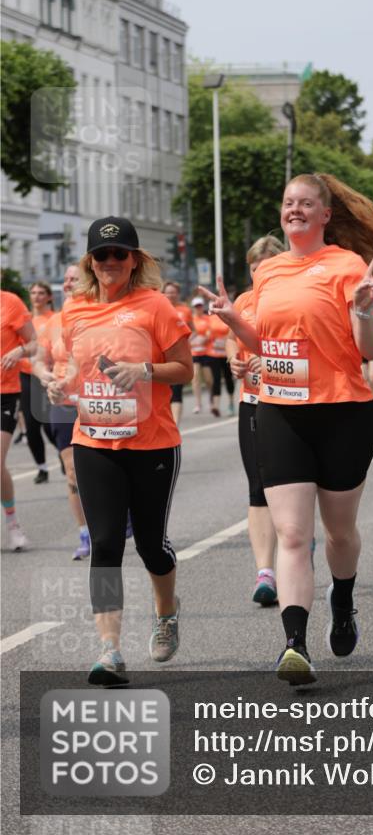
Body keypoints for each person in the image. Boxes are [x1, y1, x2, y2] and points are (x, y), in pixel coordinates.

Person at [200, 173, 373, 685]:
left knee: (340, 532)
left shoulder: (347, 267)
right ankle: (295, 645)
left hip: (343, 413)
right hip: (280, 411)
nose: (296, 210)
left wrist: (364, 310)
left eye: (307, 204)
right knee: (291, 532)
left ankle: (344, 599)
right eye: (289, 203)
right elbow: (263, 342)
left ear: (326, 215)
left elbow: (369, 350)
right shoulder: (268, 272)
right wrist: (231, 322)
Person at [50, 216, 193, 685]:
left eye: (119, 254)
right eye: (101, 255)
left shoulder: (155, 307)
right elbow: (70, 372)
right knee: (106, 544)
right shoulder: (73, 310)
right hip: (94, 442)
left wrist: (145, 371)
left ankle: (166, 614)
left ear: (135, 261)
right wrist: (58, 387)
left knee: (152, 545)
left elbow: (185, 370)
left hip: (152, 442)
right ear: (90, 262)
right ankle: (109, 650)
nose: (110, 262)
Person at [226, 235, 285, 606]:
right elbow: (232, 339)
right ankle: (266, 573)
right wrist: (234, 359)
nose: (259, 274)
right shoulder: (244, 301)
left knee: (291, 486)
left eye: (265, 267)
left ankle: (297, 550)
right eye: (253, 268)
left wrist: (276, 361)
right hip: (252, 401)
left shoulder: (297, 299)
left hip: (293, 403)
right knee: (258, 487)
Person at [33, 265, 91, 560]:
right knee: (72, 471)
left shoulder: (99, 313)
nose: (67, 283)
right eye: (66, 279)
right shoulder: (54, 321)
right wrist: (45, 377)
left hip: (96, 403)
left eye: (74, 279)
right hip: (63, 403)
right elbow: (39, 359)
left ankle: (121, 514)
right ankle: (85, 532)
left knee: (106, 469)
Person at [1, 290, 36, 551]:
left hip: (5, 393)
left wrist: (19, 351)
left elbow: (35, 343)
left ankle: (13, 526)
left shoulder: (10, 303)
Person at [20, 282, 57, 484]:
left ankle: (64, 451)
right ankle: (42, 468)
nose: (37, 296)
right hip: (27, 375)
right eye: (33, 292)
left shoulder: (55, 319)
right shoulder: (24, 320)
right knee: (32, 427)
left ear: (49, 297)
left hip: (51, 376)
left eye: (41, 293)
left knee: (51, 425)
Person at [162, 282, 194, 425]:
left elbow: (193, 329)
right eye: (168, 292)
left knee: (177, 389)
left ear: (178, 294)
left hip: (179, 355)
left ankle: (175, 423)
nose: (171, 295)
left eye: (173, 292)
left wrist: (186, 342)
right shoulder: (158, 309)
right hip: (161, 356)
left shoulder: (185, 310)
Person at [189, 296, 211, 414]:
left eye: (200, 306)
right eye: (196, 306)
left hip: (206, 352)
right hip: (194, 353)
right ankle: (198, 403)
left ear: (203, 307)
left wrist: (205, 338)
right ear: (193, 308)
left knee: (208, 379)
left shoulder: (207, 319)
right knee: (195, 377)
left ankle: (210, 400)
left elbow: (210, 332)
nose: (198, 308)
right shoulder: (191, 320)